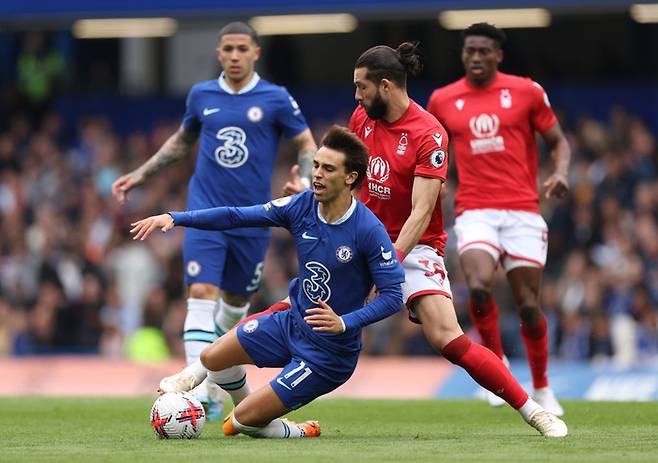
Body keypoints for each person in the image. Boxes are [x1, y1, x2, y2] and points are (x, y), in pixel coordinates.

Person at [287, 42, 567, 437]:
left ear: (385, 86)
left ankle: (532, 410)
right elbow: (343, 177)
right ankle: (212, 375)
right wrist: (306, 190)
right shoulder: (361, 119)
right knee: (298, 305)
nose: (356, 96)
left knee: (447, 338)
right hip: (361, 237)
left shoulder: (429, 133)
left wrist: (387, 263)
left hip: (413, 247)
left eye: (361, 87)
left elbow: (421, 213)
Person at [131, 125, 405, 439]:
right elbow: (235, 216)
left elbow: (394, 296)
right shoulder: (301, 206)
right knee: (211, 358)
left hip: (329, 355)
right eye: (315, 165)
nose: (316, 174)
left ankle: (291, 429)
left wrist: (344, 323)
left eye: (328, 169)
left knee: (238, 425)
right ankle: (252, 406)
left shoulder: (368, 229)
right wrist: (176, 218)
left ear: (350, 178)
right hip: (291, 324)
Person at [111, 22, 317, 419]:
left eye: (242, 49)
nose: (235, 56)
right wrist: (142, 173)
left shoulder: (275, 98)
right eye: (228, 49)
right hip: (205, 210)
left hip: (253, 217)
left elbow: (307, 145)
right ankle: (200, 395)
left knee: (235, 304)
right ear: (219, 53)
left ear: (256, 52)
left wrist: (305, 180)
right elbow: (182, 140)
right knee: (202, 291)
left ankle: (215, 372)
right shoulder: (201, 95)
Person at [426, 23, 570, 415]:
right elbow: (431, 147)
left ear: (498, 55)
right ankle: (497, 364)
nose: (475, 57)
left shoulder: (526, 91)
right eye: (469, 51)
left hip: (523, 210)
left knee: (527, 305)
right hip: (475, 210)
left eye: (483, 51)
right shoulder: (443, 99)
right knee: (477, 286)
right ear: (463, 54)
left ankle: (541, 385)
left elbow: (559, 142)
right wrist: (432, 184)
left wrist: (560, 173)